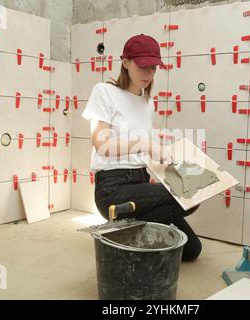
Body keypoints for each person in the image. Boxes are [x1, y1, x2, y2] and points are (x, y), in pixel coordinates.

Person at [81, 34, 202, 262]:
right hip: (113, 190)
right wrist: (145, 144)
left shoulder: (148, 103)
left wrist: (163, 166)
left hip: (141, 183)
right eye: (143, 66)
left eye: (154, 68)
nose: (149, 74)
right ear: (125, 62)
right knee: (187, 193)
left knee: (192, 250)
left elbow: (143, 153)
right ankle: (122, 225)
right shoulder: (104, 92)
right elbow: (102, 145)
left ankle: (127, 230)